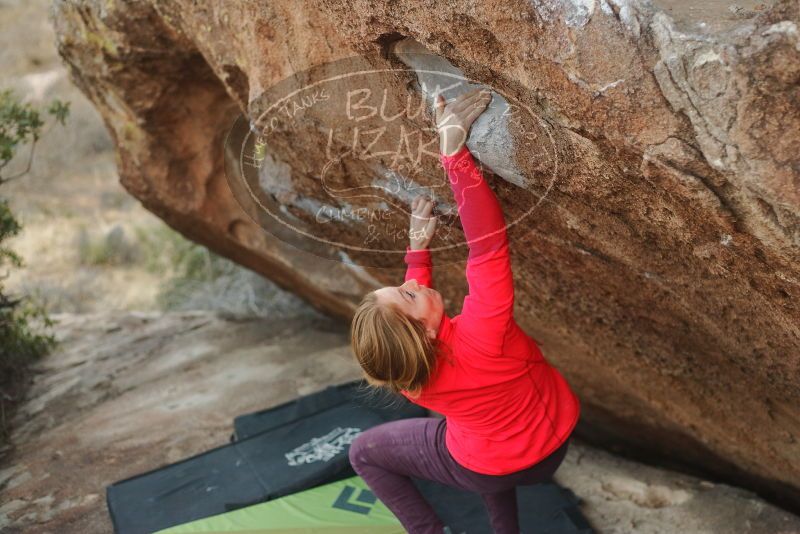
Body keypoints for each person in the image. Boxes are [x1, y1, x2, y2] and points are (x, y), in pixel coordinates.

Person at [348, 87, 581, 534]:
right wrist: (452, 151)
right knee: (458, 433)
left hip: (487, 466)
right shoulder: (483, 333)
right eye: (407, 293)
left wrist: (418, 252)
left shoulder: (407, 375)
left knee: (400, 447)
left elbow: (419, 320)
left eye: (400, 285)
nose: (411, 283)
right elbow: (487, 245)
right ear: (425, 335)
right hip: (551, 449)